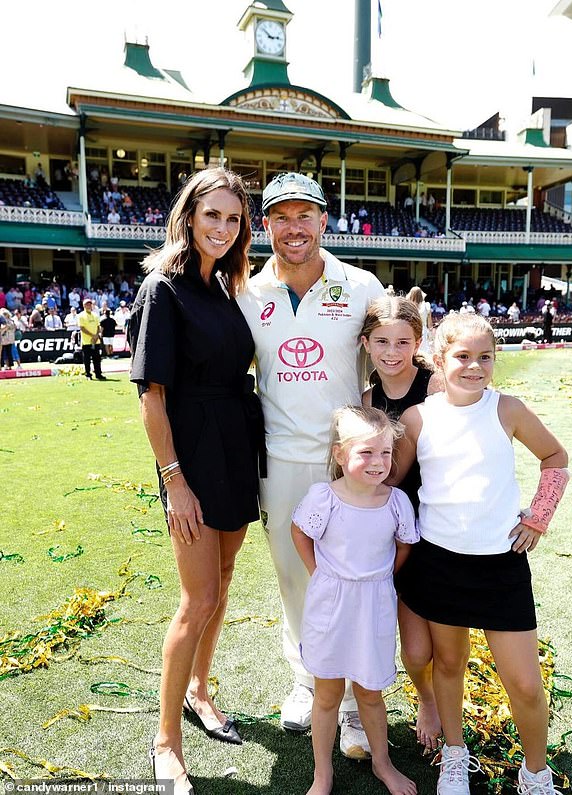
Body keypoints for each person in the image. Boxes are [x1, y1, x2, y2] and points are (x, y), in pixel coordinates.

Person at [236, 172, 384, 756]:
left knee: (355, 576)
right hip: (279, 460)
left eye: (306, 215)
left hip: (346, 463)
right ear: (265, 225)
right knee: (295, 577)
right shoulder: (248, 291)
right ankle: (305, 679)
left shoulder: (361, 284)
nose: (293, 228)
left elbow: (390, 365)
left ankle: (352, 704)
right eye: (280, 216)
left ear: (325, 220)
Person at [127, 168, 263, 795]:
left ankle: (201, 693)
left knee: (225, 581)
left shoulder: (227, 287)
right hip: (191, 459)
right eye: (212, 215)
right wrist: (173, 479)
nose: (222, 227)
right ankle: (166, 742)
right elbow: (151, 396)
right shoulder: (164, 289)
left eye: (233, 219)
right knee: (197, 599)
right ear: (189, 216)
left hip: (237, 449)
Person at [394, 313, 569, 795]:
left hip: (500, 568)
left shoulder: (507, 409)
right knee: (448, 666)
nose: (474, 367)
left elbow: (556, 458)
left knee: (526, 684)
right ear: (439, 357)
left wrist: (538, 516)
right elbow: (395, 484)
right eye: (463, 357)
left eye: (485, 357)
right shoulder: (419, 417)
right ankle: (455, 755)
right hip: (439, 565)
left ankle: (535, 774)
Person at [292, 405, 418, 795]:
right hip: (330, 608)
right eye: (366, 452)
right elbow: (300, 534)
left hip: (374, 607)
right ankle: (322, 773)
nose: (379, 462)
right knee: (327, 694)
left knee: (369, 691)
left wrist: (379, 581)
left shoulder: (396, 501)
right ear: (340, 455)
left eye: (385, 453)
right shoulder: (324, 498)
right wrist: (323, 575)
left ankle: (382, 763)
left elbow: (403, 546)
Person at [359, 296, 442, 753]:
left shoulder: (435, 387)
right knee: (410, 645)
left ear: (418, 342)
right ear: (367, 344)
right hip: (391, 524)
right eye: (383, 342)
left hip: (436, 522)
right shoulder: (368, 397)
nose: (392, 352)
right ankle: (423, 698)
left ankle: (436, 702)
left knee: (433, 639)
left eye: (403, 342)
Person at [78, 298, 105, 380]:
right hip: (86, 341)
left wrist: (96, 335)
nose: (89, 306)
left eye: (90, 304)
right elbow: (82, 328)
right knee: (87, 360)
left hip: (96, 341)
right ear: (84, 306)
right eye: (87, 304)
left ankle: (98, 374)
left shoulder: (95, 315)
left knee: (97, 359)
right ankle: (88, 374)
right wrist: (92, 335)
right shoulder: (81, 315)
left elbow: (98, 326)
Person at [406, 286, 434, 355]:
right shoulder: (426, 306)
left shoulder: (408, 306)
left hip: (410, 329)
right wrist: (430, 332)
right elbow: (430, 323)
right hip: (423, 330)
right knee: (423, 351)